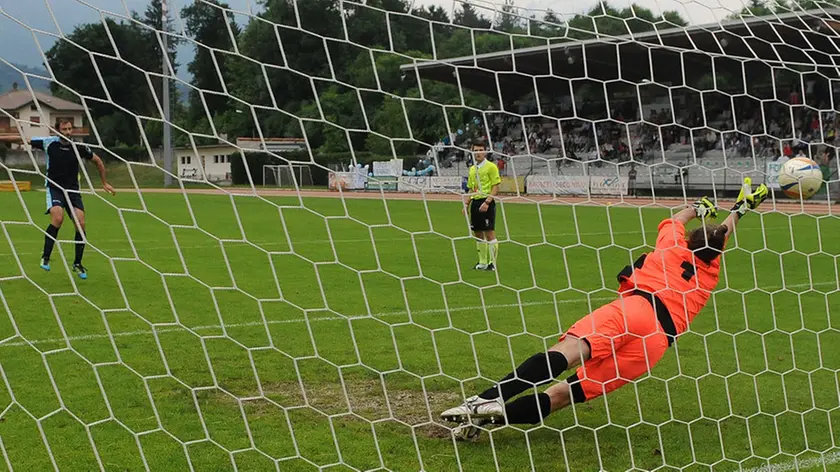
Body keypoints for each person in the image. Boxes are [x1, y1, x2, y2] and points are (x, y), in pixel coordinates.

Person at [441, 179, 769, 441]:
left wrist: (698, 208)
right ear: (717, 252)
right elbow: (720, 237)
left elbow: (677, 219)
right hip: (656, 341)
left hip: (635, 308)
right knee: (566, 394)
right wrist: (741, 209)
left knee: (570, 351)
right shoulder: (711, 273)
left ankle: (486, 400)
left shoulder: (671, 245)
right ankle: (489, 421)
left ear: (688, 240)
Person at [32, 118, 116, 279]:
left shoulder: (79, 147)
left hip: (72, 191)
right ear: (57, 130)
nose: (68, 132)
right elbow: (23, 139)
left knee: (81, 223)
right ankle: (46, 257)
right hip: (55, 189)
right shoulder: (49, 143)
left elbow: (98, 161)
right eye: (64, 129)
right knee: (58, 218)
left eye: (70, 129)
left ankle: (77, 264)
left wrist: (104, 182)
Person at [463, 144, 501, 271]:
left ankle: (492, 263)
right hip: (475, 202)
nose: (478, 153)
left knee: (489, 232)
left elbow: (496, 186)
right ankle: (483, 262)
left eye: (480, 150)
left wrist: (487, 202)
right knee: (478, 232)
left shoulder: (491, 167)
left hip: (486, 202)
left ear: (485, 152)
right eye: (475, 151)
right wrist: (467, 204)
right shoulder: (472, 169)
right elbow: (471, 188)